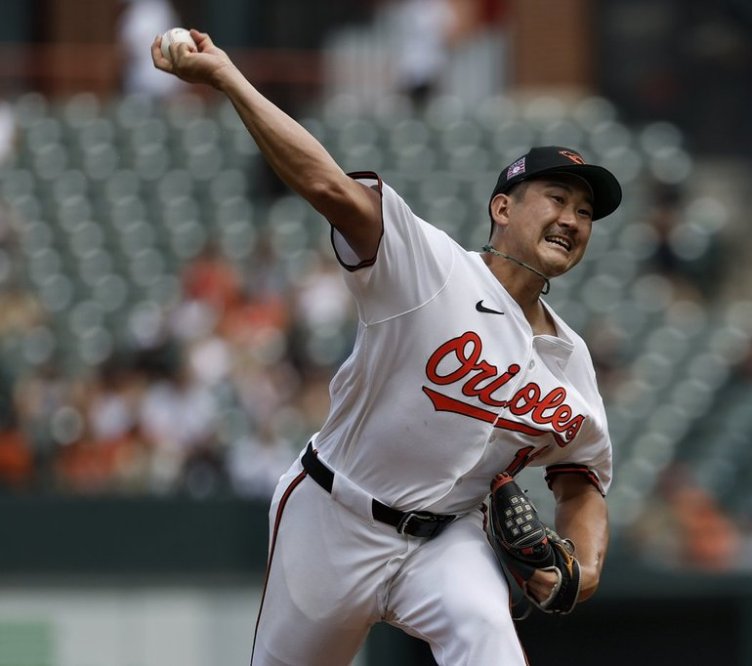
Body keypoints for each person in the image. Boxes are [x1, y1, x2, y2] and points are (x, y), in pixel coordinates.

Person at [152, 30, 621, 666]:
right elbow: (327, 186)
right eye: (558, 199)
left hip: (446, 540)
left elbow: (582, 477)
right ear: (502, 207)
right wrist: (231, 80)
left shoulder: (571, 360)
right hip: (334, 516)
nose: (572, 219)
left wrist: (581, 569)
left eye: (586, 212)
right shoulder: (433, 269)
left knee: (489, 641)